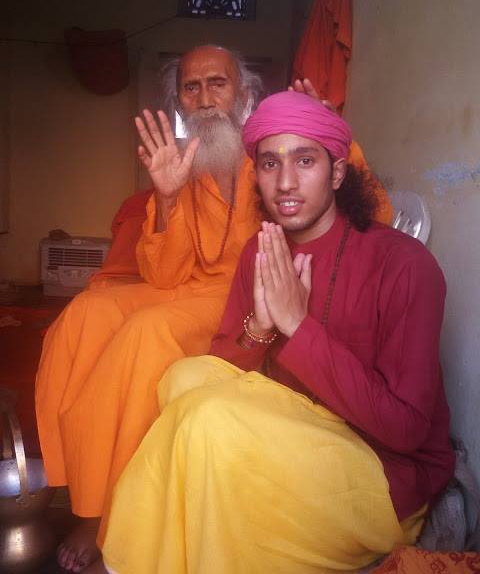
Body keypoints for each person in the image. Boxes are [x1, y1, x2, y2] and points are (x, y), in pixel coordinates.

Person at [100, 91, 455, 574]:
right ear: (257, 174)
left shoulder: (405, 264)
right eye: (269, 164)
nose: (285, 182)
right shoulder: (261, 252)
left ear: (336, 172)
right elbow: (227, 364)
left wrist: (298, 326)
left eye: (305, 161)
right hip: (300, 432)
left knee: (209, 420)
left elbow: (407, 430)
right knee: (183, 379)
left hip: (384, 473)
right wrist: (263, 326)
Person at [36, 45, 263, 572]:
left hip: (239, 294)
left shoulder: (270, 153)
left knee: (146, 331)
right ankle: (75, 484)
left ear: (243, 93)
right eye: (192, 87)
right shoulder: (186, 163)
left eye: (217, 83)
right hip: (181, 285)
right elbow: (163, 273)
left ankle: (106, 512)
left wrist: (319, 122)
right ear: (181, 102)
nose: (205, 98)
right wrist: (164, 198)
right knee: (84, 315)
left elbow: (340, 185)